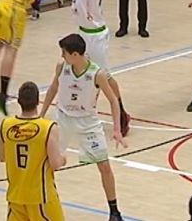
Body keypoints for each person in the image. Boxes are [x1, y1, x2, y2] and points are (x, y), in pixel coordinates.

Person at [41, 33, 127, 221]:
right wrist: (41, 115)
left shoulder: (97, 74)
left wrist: (117, 130)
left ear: (75, 55)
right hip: (62, 119)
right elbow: (53, 89)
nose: (61, 56)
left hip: (87, 121)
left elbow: (113, 100)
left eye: (64, 52)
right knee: (48, 163)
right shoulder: (61, 67)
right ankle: (45, 203)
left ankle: (114, 212)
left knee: (104, 165)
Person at [68, 0, 132, 136]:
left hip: (94, 36)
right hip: (84, 34)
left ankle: (121, 112)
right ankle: (81, 112)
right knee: (78, 73)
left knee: (103, 77)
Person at [0, 82, 66, 221]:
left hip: (15, 197)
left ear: (19, 101)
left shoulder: (6, 125)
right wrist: (63, 158)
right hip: (41, 198)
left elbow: (2, 156)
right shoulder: (47, 127)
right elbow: (56, 164)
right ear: (37, 101)